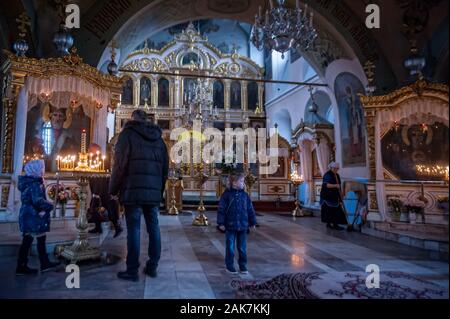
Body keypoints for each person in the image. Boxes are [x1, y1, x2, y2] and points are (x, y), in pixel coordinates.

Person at [109, 109, 168, 282]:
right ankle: (152, 266)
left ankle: (132, 270)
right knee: (154, 228)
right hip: (153, 193)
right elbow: (165, 168)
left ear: (132, 119)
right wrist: (159, 189)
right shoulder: (159, 139)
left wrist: (113, 189)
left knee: (134, 230)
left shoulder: (127, 135)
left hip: (132, 190)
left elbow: (119, 165)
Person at [16, 160, 60, 275]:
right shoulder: (34, 183)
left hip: (29, 215)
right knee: (32, 240)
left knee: (33, 239)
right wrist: (50, 206)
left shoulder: (28, 181)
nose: (43, 171)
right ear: (35, 170)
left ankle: (29, 265)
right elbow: (38, 201)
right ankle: (27, 266)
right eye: (41, 169)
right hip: (33, 216)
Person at [217, 173, 257, 274]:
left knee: (242, 247)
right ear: (234, 183)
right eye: (241, 181)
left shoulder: (245, 195)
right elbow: (221, 209)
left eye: (243, 181)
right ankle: (229, 265)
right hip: (230, 225)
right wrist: (220, 223)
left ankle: (243, 265)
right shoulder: (226, 195)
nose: (243, 183)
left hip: (243, 225)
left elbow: (250, 209)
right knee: (230, 246)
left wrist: (252, 222)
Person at [320, 162, 348, 230]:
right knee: (329, 210)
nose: (336, 170)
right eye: (335, 168)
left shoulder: (337, 175)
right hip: (328, 196)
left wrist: (341, 194)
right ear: (331, 168)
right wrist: (335, 185)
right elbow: (326, 185)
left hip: (335, 195)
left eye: (337, 168)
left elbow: (339, 186)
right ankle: (330, 224)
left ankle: (335, 224)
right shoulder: (327, 175)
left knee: (336, 210)